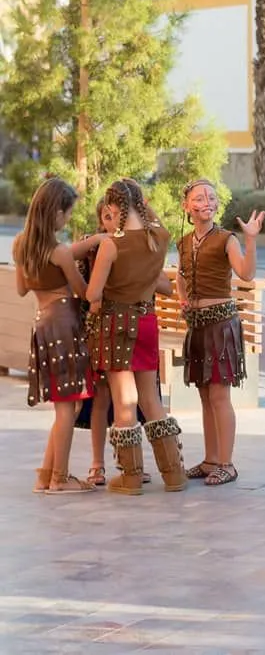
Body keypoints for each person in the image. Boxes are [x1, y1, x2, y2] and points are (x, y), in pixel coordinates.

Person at [86, 178, 188, 495]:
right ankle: (174, 474)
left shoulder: (110, 245)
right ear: (141, 204)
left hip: (116, 322)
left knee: (124, 401)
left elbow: (93, 293)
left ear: (113, 207)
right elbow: (152, 218)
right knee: (151, 398)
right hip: (146, 320)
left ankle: (130, 476)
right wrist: (137, 199)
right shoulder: (158, 237)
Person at [15, 178, 104, 493]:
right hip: (65, 323)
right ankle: (60, 478)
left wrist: (89, 243)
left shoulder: (21, 245)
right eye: (67, 214)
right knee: (69, 406)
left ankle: (47, 474)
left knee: (62, 405)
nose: (68, 220)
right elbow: (83, 292)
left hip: (43, 324)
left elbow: (22, 288)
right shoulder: (61, 253)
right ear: (56, 213)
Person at [177, 179, 264, 486]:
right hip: (198, 323)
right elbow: (181, 276)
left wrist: (250, 239)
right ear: (187, 206)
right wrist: (184, 301)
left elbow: (246, 273)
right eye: (199, 197)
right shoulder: (185, 242)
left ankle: (227, 462)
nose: (206, 201)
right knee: (203, 394)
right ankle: (211, 459)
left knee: (218, 394)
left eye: (211, 196)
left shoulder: (227, 238)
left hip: (221, 324)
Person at [75, 199, 167, 486]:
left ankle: (132, 470)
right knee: (103, 398)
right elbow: (88, 293)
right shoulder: (96, 245)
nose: (112, 220)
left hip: (124, 326)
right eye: (107, 215)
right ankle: (99, 464)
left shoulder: (141, 244)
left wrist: (137, 279)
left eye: (118, 214)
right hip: (102, 329)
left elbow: (164, 285)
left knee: (134, 401)